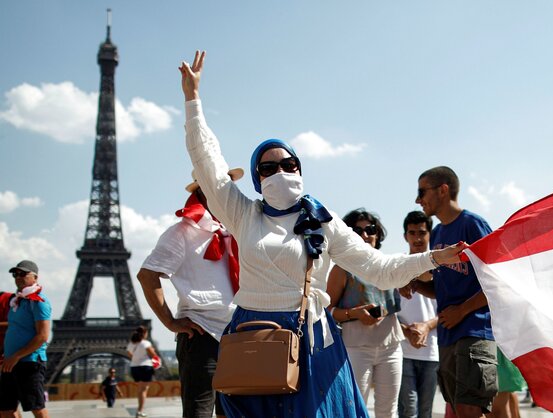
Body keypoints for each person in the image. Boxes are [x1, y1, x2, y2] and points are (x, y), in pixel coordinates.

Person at [177, 50, 464, 418]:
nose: (279, 171)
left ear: (300, 168)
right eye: (268, 167)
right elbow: (207, 163)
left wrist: (433, 258)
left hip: (312, 339)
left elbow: (380, 269)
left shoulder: (323, 222)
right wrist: (193, 100)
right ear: (256, 178)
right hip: (253, 333)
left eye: (288, 164)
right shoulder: (243, 213)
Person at [137, 172, 243, 418]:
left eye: (229, 187)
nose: (227, 192)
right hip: (202, 335)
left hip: (238, 335)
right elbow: (147, 275)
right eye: (220, 186)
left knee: (236, 412)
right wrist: (170, 322)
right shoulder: (181, 232)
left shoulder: (236, 230)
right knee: (199, 412)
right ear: (202, 190)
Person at [411, 166, 497, 418]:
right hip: (447, 337)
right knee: (457, 411)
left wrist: (462, 310)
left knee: (471, 411)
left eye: (422, 191)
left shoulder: (473, 225)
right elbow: (442, 289)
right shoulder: (437, 233)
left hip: (474, 331)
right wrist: (416, 284)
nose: (418, 200)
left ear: (443, 189)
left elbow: (496, 281)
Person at [327, 209, 403, 418]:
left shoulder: (388, 264)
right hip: (356, 348)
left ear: (377, 234)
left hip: (391, 346)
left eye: (370, 229)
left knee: (389, 411)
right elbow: (327, 311)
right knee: (355, 409)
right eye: (357, 230)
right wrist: (354, 314)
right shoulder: (341, 269)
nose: (365, 235)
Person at [397, 211, 440, 418]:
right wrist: (406, 331)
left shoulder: (442, 268)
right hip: (402, 350)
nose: (417, 238)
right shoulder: (396, 267)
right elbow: (386, 309)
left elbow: (448, 309)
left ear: (430, 234)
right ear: (405, 236)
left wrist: (427, 326)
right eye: (412, 233)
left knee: (425, 413)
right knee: (408, 412)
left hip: (432, 351)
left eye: (422, 232)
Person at [0, 260, 51, 418]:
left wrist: (16, 356)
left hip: (29, 362)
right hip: (10, 363)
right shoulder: (17, 301)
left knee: (36, 407)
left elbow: (42, 336)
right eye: (16, 274)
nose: (18, 277)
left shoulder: (39, 301)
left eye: (23, 273)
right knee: (6, 409)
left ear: (35, 277)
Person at [126, 326, 158, 418]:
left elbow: (130, 355)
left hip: (134, 367)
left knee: (140, 390)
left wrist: (137, 359)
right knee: (144, 390)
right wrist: (157, 365)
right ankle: (140, 411)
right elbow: (154, 355)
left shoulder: (131, 344)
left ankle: (139, 410)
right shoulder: (146, 343)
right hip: (145, 367)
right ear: (144, 333)